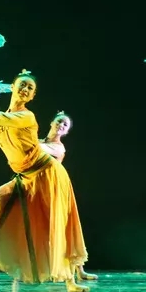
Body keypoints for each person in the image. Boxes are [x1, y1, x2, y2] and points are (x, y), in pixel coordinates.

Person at [0, 71, 89, 292]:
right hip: (25, 177)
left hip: (47, 174)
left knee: (54, 226)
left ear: (32, 96)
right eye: (22, 84)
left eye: (30, 88)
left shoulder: (26, 117)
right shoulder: (6, 119)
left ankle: (70, 280)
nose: (25, 89)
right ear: (12, 87)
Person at [40, 112, 97, 283]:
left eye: (65, 125)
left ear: (66, 132)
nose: (61, 125)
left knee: (64, 227)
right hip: (37, 187)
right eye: (59, 121)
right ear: (52, 122)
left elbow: (37, 150)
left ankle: (79, 270)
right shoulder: (39, 141)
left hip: (55, 188)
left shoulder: (59, 148)